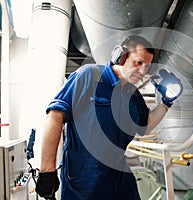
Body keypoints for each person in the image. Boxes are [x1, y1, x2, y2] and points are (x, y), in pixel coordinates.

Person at [35, 35, 180, 200]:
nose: (142, 72)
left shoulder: (133, 95)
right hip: (85, 176)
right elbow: (55, 115)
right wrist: (47, 170)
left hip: (119, 174)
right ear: (121, 56)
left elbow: (145, 126)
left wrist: (166, 103)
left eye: (146, 66)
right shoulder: (89, 75)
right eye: (138, 63)